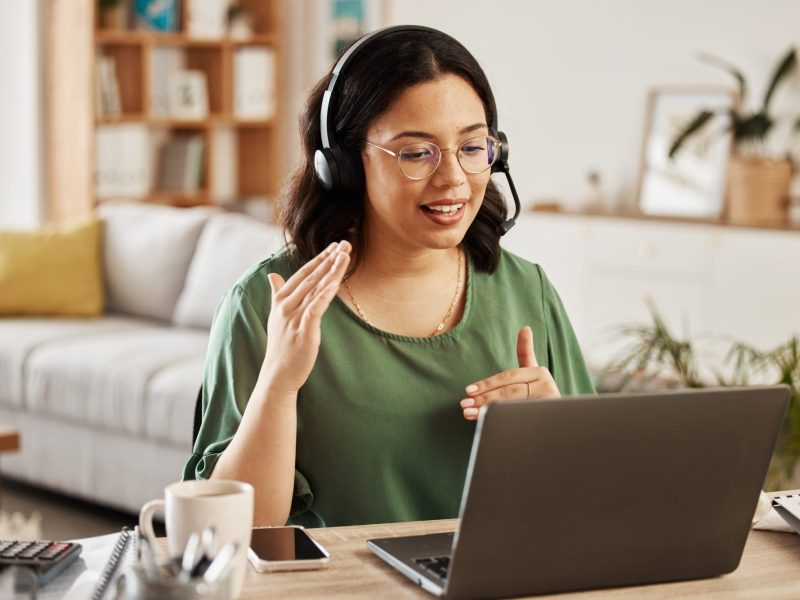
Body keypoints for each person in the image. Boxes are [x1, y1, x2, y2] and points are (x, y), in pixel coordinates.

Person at [183, 25, 595, 528]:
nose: (453, 179)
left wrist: (555, 431)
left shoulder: (528, 290)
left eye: (471, 148)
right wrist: (278, 385)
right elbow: (237, 534)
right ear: (344, 165)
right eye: (416, 153)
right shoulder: (268, 303)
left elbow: (588, 508)